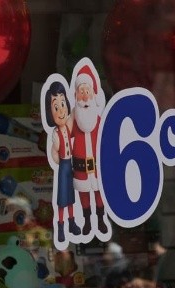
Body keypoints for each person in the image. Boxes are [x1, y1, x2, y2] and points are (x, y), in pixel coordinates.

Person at [72, 62, 110, 237]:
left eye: (87, 92)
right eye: (82, 92)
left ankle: (101, 219)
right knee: (84, 196)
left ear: (93, 95)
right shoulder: (74, 120)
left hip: (98, 166)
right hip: (80, 167)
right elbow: (63, 134)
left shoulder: (99, 121)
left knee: (99, 194)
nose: (85, 97)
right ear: (76, 96)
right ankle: (87, 221)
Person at [43, 80, 80, 243]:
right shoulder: (56, 133)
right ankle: (60, 226)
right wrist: (59, 160)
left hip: (71, 163)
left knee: (71, 197)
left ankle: (72, 223)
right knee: (62, 199)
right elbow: (54, 151)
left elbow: (73, 118)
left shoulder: (67, 127)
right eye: (56, 107)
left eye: (63, 103)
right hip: (64, 166)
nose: (60, 110)